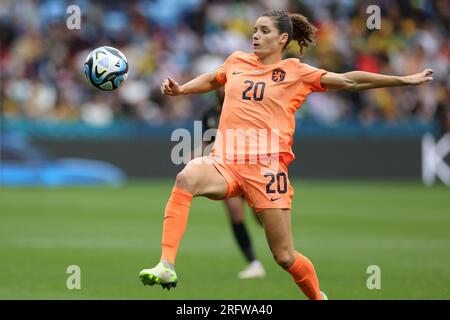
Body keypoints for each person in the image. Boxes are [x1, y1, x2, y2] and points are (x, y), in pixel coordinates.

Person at [139, 10, 433, 299]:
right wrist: (181, 90)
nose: (256, 35)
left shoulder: (296, 72)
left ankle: (317, 298)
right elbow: (215, 79)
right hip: (225, 162)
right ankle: (167, 264)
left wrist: (404, 80)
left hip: (266, 171)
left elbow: (349, 81)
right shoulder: (236, 61)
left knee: (284, 256)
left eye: (264, 31)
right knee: (186, 176)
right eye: (255, 29)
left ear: (282, 38)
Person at [200, 88, 266, 279]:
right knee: (236, 215)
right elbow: (208, 142)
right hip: (227, 171)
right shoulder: (210, 114)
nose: (223, 89)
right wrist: (201, 155)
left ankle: (283, 251)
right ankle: (254, 263)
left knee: (262, 217)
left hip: (252, 169)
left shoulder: (244, 109)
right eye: (220, 85)